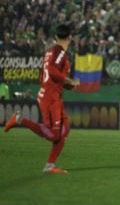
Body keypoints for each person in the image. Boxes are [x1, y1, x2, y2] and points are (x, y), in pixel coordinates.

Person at [3, 24, 80, 174]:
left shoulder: (49, 52)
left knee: (64, 131)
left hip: (51, 94)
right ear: (69, 37)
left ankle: (50, 165)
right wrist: (69, 81)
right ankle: (20, 120)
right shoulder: (60, 53)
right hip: (51, 98)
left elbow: (43, 76)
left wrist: (65, 85)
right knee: (54, 135)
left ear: (56, 36)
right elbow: (51, 71)